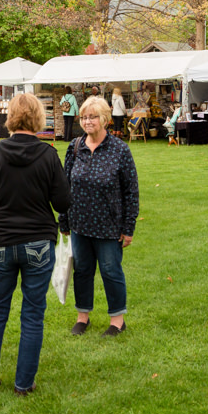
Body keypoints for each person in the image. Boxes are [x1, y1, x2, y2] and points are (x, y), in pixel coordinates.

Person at [0, 92, 67, 395]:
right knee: (33, 314)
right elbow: (63, 201)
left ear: (10, 117)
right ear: (39, 117)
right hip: (37, 243)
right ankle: (23, 384)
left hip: (0, 243)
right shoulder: (48, 155)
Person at [64, 95, 140, 336]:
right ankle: (82, 316)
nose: (88, 121)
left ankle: (117, 320)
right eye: (84, 117)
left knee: (111, 271)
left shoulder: (120, 150)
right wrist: (64, 221)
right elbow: (65, 186)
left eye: (93, 117)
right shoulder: (75, 147)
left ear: (105, 119)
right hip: (80, 223)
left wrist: (128, 228)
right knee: (82, 270)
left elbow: (131, 191)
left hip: (109, 226)